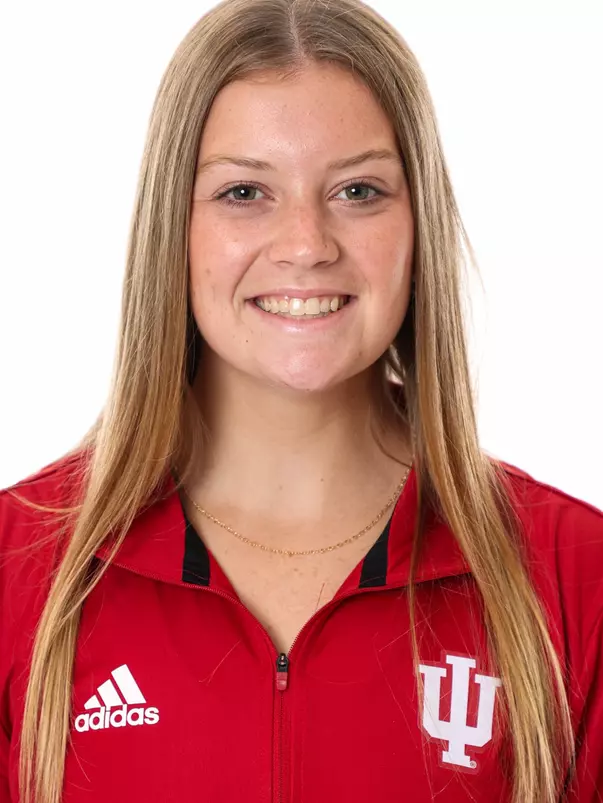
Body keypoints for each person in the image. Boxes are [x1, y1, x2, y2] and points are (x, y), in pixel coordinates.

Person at [1, 0, 602, 801]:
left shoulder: (574, 574)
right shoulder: (17, 568)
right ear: (172, 227)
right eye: (245, 191)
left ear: (418, 224)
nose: (307, 244)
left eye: (357, 189)